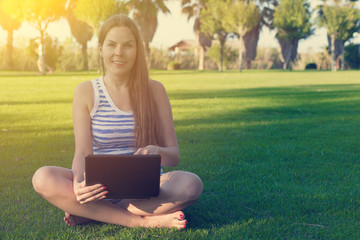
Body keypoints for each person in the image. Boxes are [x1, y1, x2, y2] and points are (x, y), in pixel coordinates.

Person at [32, 14, 203, 229]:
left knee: (191, 185)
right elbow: (82, 151)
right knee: (42, 177)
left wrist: (155, 151)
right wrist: (77, 185)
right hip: (99, 186)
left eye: (128, 45)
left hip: (144, 188)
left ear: (137, 50)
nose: (119, 53)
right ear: (101, 49)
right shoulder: (86, 92)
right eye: (112, 45)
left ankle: (96, 213)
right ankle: (140, 221)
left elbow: (174, 155)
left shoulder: (155, 90)